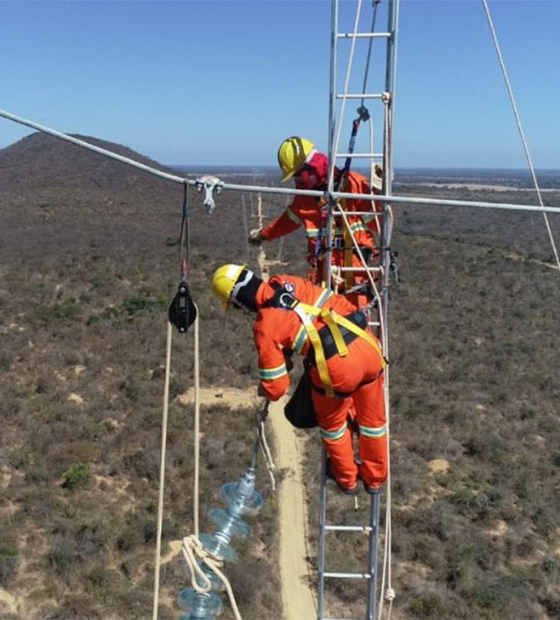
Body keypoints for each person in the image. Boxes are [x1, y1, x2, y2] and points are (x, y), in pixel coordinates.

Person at [212, 263, 388, 495]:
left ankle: (347, 479)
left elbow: (276, 388)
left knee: (333, 425)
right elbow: (321, 307)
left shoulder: (265, 325)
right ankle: (375, 478)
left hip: (337, 367)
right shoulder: (284, 282)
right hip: (367, 345)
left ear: (238, 301)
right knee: (373, 422)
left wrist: (265, 386)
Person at [248, 137, 383, 301]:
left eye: (297, 176)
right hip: (324, 278)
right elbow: (287, 221)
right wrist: (264, 234)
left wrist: (378, 197)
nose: (296, 181)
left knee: (355, 323)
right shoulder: (305, 197)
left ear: (309, 168)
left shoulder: (352, 185)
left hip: (355, 278)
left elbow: (380, 225)